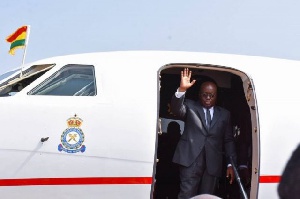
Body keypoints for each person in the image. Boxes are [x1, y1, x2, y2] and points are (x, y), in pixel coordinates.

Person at [171, 68, 237, 199]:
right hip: (190, 161)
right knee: (186, 195)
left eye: (211, 95)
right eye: (205, 94)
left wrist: (231, 164)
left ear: (216, 96)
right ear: (199, 94)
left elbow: (228, 140)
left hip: (212, 164)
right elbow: (176, 109)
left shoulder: (224, 114)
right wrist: (182, 89)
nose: (208, 98)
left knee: (207, 197)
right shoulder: (190, 107)